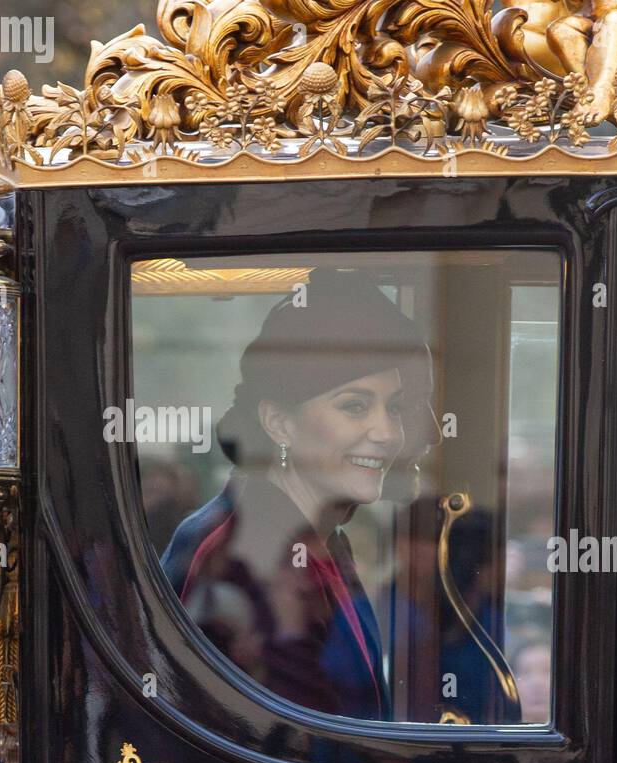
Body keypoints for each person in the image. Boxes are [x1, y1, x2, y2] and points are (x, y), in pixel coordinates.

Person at [161, 268, 438, 720]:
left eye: (392, 407)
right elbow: (290, 755)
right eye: (355, 405)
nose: (388, 432)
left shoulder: (315, 533)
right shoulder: (245, 554)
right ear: (279, 422)